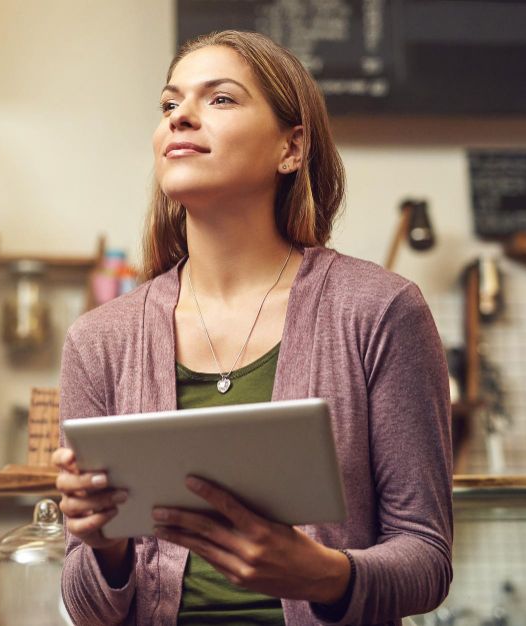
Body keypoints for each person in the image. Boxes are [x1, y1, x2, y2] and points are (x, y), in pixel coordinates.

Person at [52, 30, 453, 626]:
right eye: (169, 104)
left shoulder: (381, 310)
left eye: (220, 99)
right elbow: (87, 608)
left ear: (291, 149)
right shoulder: (99, 340)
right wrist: (105, 546)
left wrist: (323, 573)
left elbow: (428, 559)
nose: (180, 118)